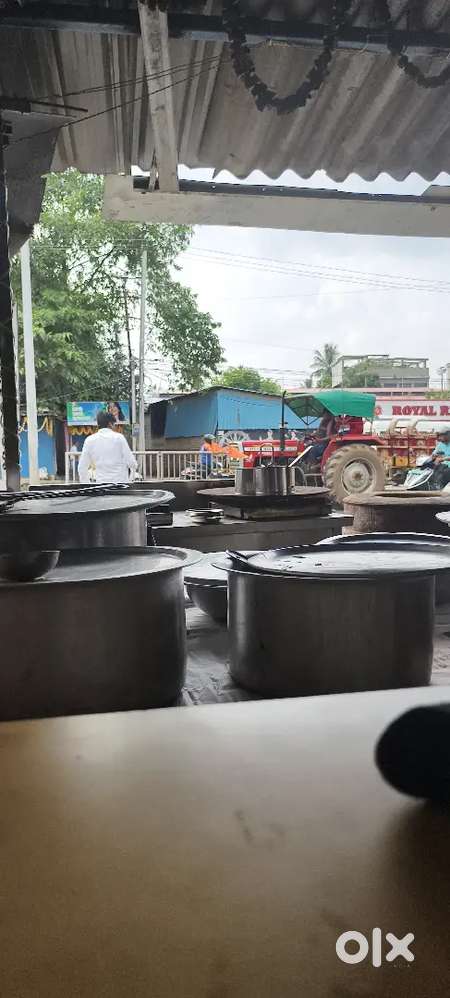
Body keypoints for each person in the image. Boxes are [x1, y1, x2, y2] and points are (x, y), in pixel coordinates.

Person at [78, 410, 137, 484]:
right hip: (121, 486)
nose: (115, 426)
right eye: (114, 424)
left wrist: (87, 485)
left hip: (101, 487)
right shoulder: (119, 438)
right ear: (110, 424)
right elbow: (132, 462)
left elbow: (82, 468)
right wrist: (131, 479)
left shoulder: (89, 440)